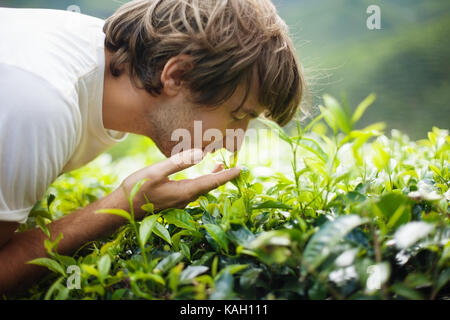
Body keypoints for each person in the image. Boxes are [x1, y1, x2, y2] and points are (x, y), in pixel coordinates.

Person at [0, 0, 306, 294]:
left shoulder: (91, 62)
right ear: (177, 75)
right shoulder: (42, 103)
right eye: (238, 115)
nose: (234, 142)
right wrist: (123, 205)